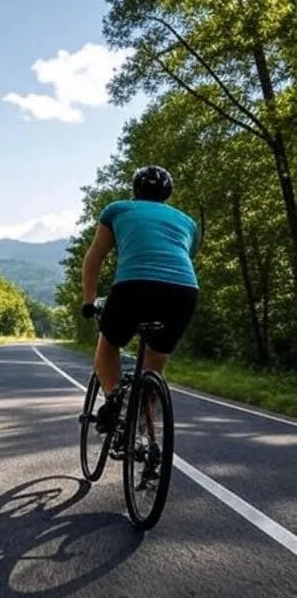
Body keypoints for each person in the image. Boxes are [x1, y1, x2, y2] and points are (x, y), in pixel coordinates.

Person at [79, 165, 199, 461]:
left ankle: (114, 403)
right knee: (152, 370)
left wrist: (89, 300)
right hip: (183, 291)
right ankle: (147, 439)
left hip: (134, 286)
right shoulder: (187, 221)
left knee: (107, 348)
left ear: (135, 190)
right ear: (167, 195)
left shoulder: (118, 209)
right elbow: (181, 257)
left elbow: (96, 255)